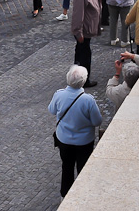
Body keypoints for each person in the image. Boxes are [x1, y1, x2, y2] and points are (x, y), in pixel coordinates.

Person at [49, 65, 102, 197]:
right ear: (83, 81)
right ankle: (82, 195)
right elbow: (97, 122)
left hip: (64, 140)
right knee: (83, 168)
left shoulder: (59, 94)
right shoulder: (88, 100)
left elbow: (51, 110)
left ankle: (65, 195)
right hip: (84, 141)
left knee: (66, 167)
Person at [72, 0, 103, 87]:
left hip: (88, 28)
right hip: (84, 30)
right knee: (84, 55)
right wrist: (78, 33)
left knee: (81, 52)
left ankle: (77, 76)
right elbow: (78, 14)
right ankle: (84, 80)